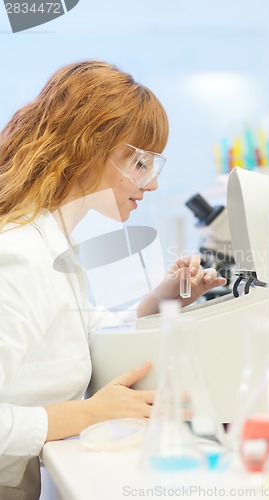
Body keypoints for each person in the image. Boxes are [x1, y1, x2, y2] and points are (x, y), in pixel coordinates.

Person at [0, 60, 226, 498]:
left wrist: (159, 302)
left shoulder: (54, 243)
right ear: (88, 147)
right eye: (139, 162)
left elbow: (76, 332)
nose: (152, 184)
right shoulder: (18, 255)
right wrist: (84, 414)